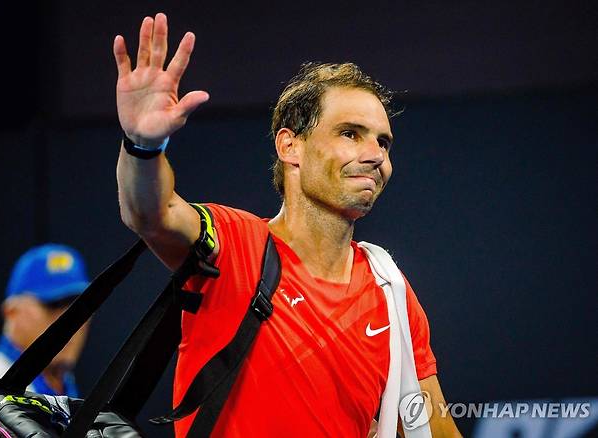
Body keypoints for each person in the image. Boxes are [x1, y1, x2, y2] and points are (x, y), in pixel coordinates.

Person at [113, 13, 462, 437]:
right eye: (350, 134)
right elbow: (152, 212)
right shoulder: (234, 242)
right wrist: (144, 145)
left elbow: (433, 428)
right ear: (290, 145)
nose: (375, 155)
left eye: (382, 141)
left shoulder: (390, 291)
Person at [0, 244, 90, 397]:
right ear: (11, 312)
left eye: (80, 307)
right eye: (54, 305)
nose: (72, 321)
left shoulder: (63, 380)